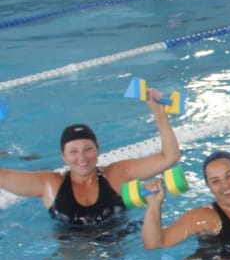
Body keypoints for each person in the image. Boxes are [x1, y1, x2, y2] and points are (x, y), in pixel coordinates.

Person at [0, 93, 181, 228]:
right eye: (73, 152)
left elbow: (169, 157)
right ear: (63, 155)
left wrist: (159, 114)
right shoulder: (50, 184)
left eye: (88, 149)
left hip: (117, 242)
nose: (82, 158)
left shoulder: (116, 174)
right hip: (72, 251)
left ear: (97, 149)